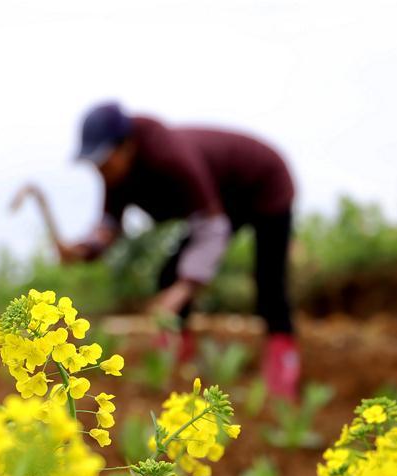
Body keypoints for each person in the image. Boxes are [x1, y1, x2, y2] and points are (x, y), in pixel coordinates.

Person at [58, 102, 300, 399]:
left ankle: (283, 362)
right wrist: (83, 249)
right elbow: (109, 226)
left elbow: (212, 227)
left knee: (269, 278)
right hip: (220, 199)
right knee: (168, 276)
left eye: (104, 161)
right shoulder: (117, 175)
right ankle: (176, 359)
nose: (100, 170)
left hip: (265, 183)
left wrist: (185, 288)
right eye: (95, 163)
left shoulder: (168, 156)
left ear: (126, 147)